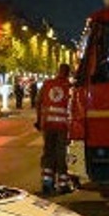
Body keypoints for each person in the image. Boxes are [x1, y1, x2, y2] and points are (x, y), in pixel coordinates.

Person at [35, 62, 73, 195]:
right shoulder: (69, 87)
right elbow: (72, 108)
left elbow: (38, 102)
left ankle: (47, 183)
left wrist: (39, 120)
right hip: (63, 126)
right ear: (68, 73)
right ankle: (63, 184)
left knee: (48, 152)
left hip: (48, 125)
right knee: (61, 154)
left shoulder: (47, 84)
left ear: (58, 71)